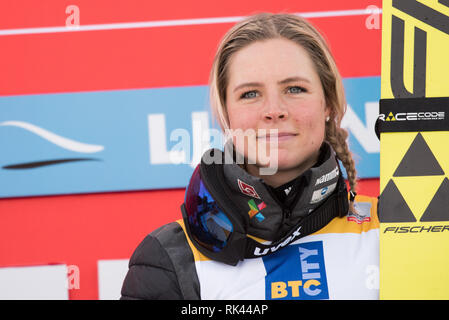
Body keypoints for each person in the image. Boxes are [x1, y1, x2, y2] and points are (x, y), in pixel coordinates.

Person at [120, 12, 379, 300]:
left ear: (328, 102)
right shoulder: (170, 258)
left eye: (295, 89)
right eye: (250, 94)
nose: (274, 109)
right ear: (226, 113)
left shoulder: (393, 227)